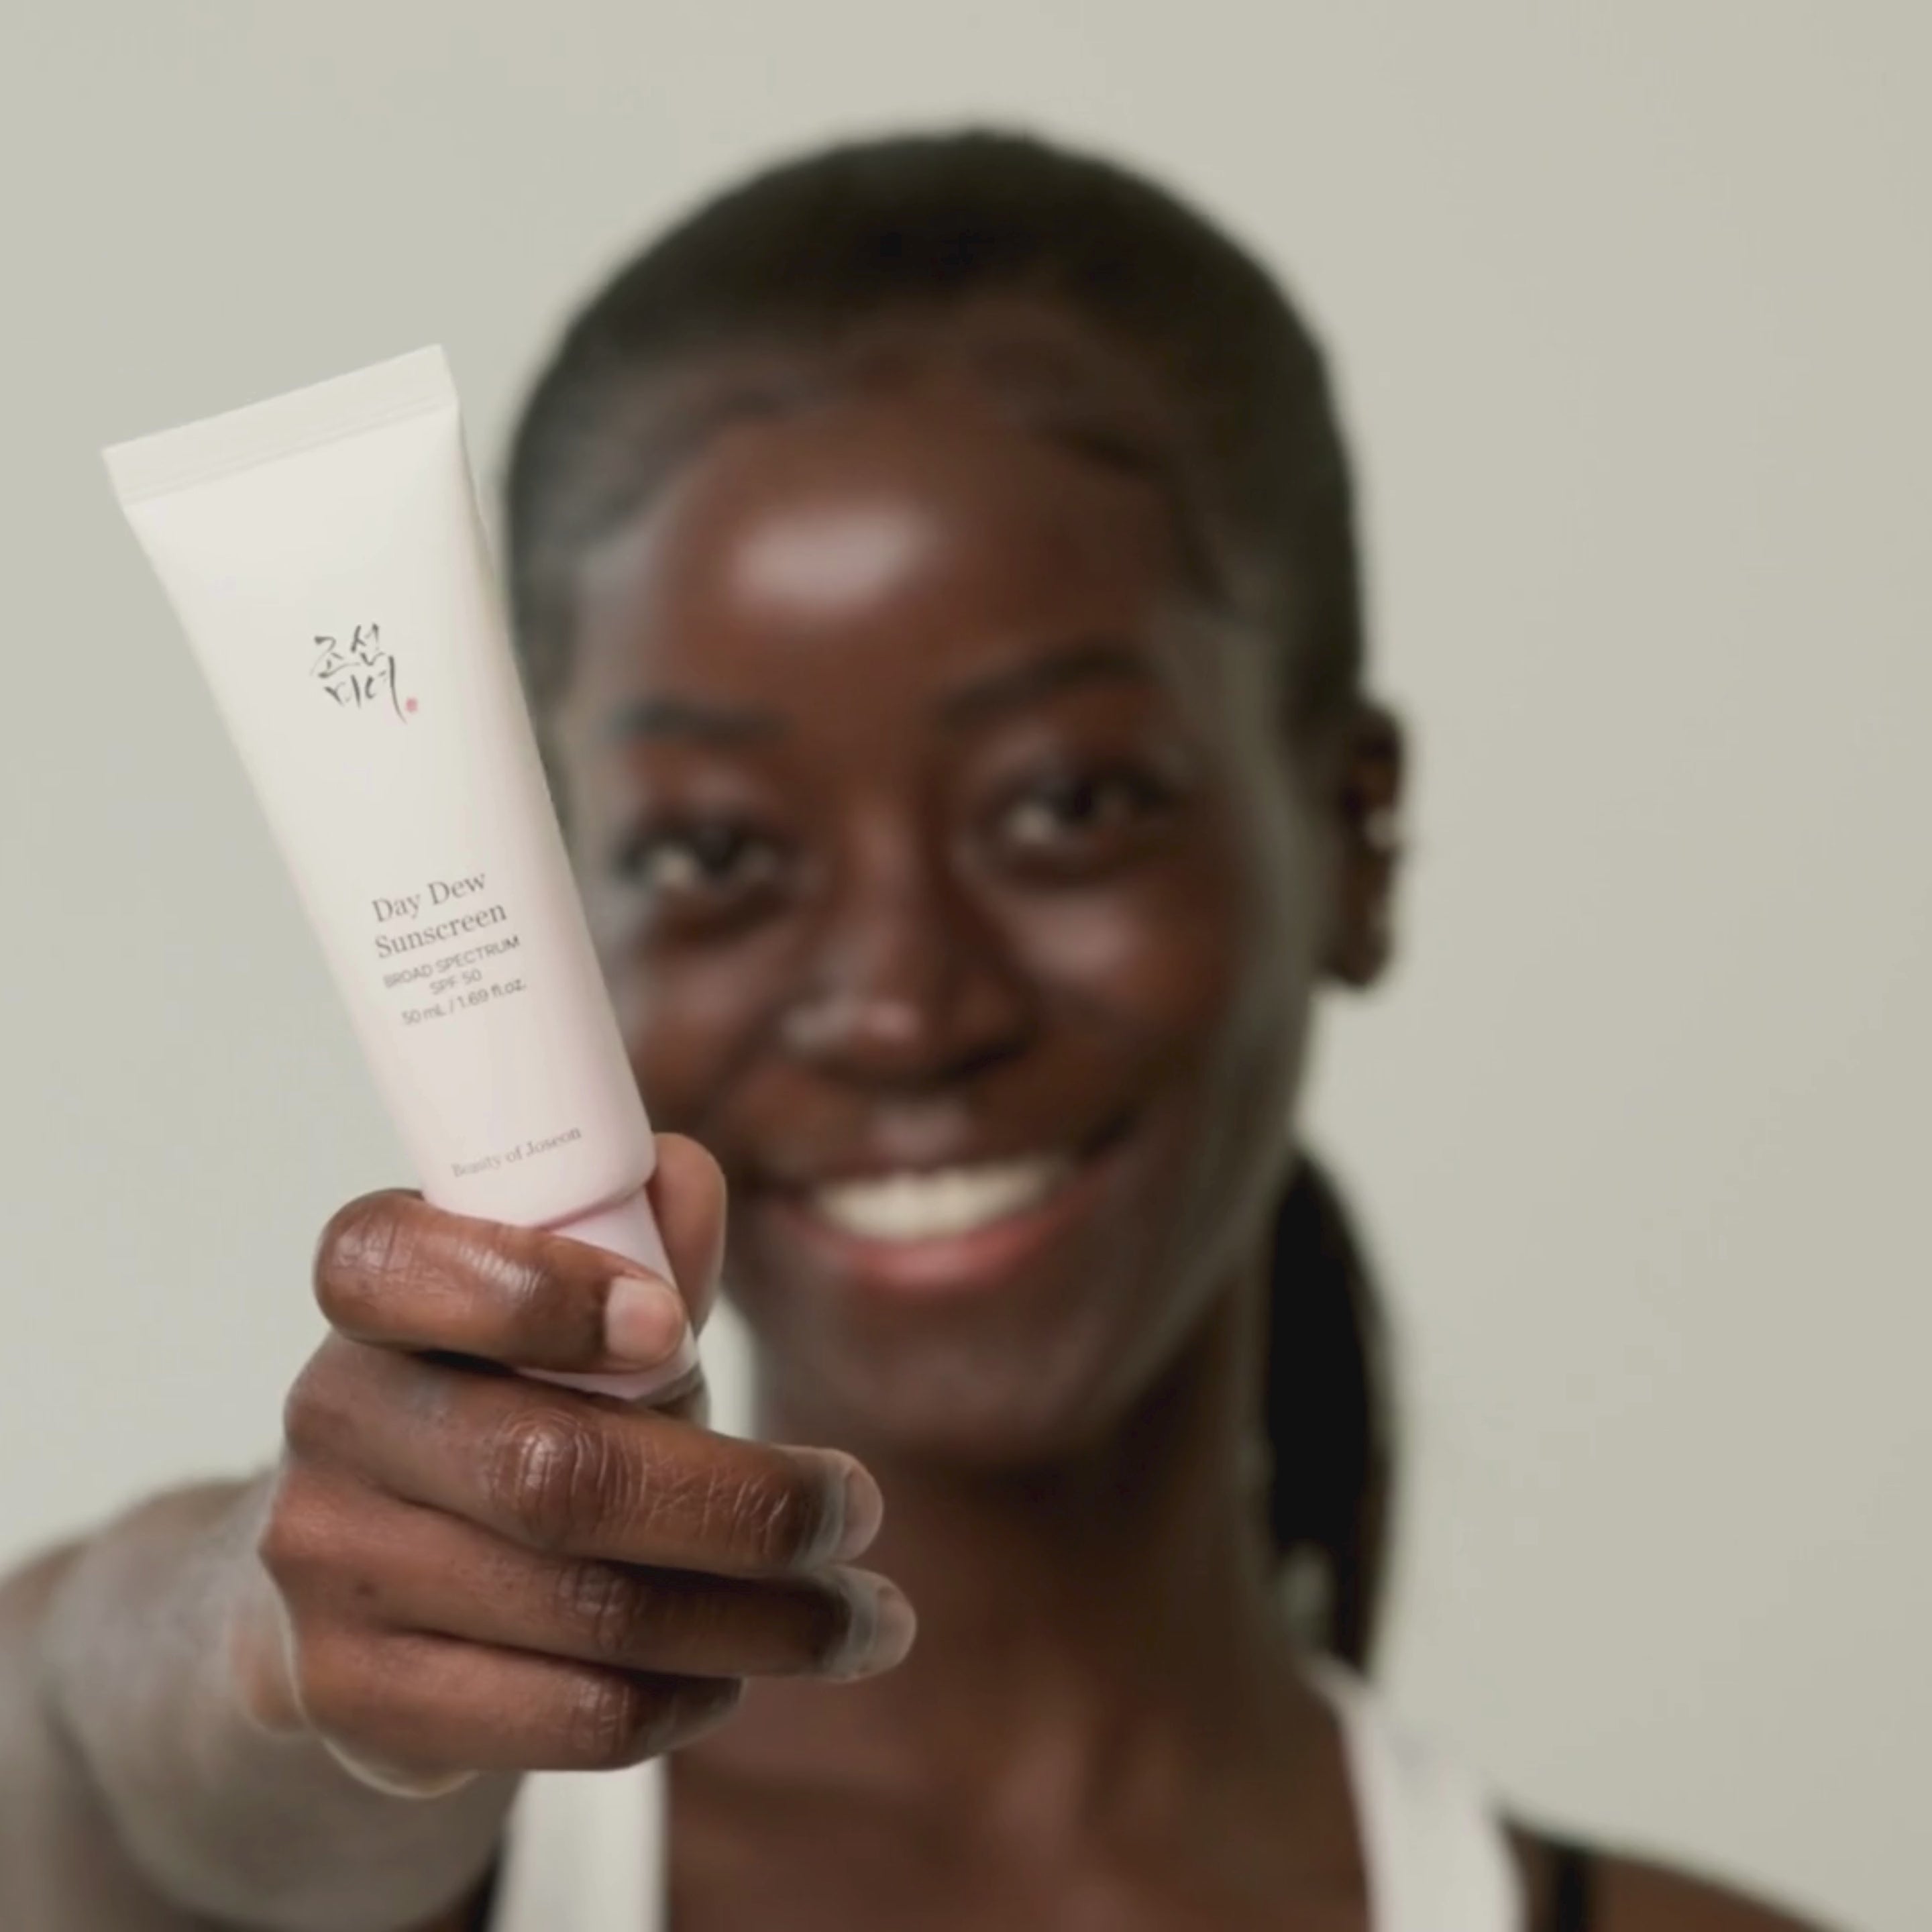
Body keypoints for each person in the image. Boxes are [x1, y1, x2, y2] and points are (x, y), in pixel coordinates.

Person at [0, 130, 1829, 1932]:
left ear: (1351, 836)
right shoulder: (375, 1879)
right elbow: (72, 1746)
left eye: (1067, 808)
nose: (902, 1008)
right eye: (719, 853)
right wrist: (261, 1649)